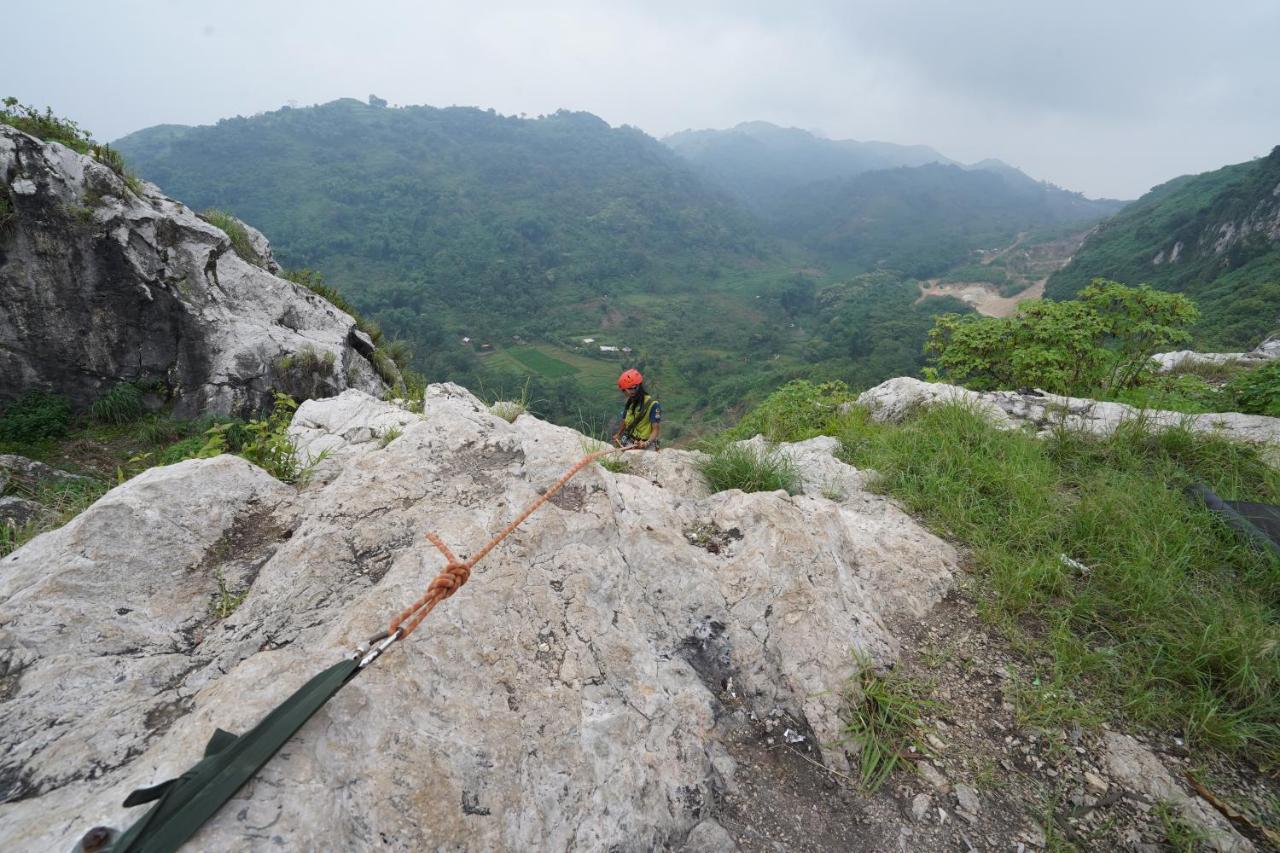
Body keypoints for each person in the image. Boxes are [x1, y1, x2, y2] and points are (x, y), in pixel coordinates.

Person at [612, 369, 661, 450]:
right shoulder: (630, 402)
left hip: (646, 443)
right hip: (630, 440)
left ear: (634, 388)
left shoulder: (653, 405)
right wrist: (618, 434)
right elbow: (624, 420)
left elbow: (655, 430)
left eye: (625, 390)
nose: (625, 393)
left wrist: (646, 443)